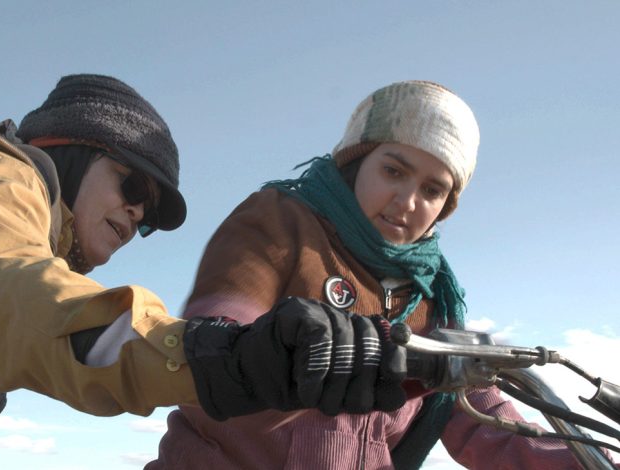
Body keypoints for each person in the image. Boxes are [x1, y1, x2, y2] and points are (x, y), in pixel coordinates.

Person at [0, 74, 406, 470]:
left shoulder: (17, 309)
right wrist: (219, 356)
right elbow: (4, 287)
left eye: (149, 217)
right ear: (69, 147)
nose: (136, 216)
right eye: (132, 186)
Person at [148, 80, 605, 469]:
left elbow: (481, 417)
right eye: (393, 170)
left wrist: (585, 457)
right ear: (356, 160)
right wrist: (262, 344)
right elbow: (218, 325)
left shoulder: (432, 294)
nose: (407, 201)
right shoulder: (280, 221)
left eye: (432, 189)